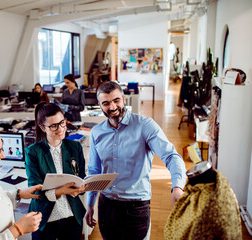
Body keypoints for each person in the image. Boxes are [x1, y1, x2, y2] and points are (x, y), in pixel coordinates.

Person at [85, 81, 186, 240]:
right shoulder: (97, 132)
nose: (112, 107)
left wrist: (177, 187)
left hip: (136, 208)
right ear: (99, 105)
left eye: (116, 100)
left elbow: (171, 156)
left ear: (124, 99)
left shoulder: (145, 126)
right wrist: (90, 203)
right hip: (106, 206)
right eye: (106, 103)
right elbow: (94, 171)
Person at [25, 102, 87, 240]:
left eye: (62, 123)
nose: (60, 129)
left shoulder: (75, 147)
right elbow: (35, 191)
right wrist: (62, 191)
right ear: (42, 127)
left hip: (72, 215)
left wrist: (82, 187)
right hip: (46, 218)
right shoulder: (33, 152)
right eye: (53, 126)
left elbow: (81, 176)